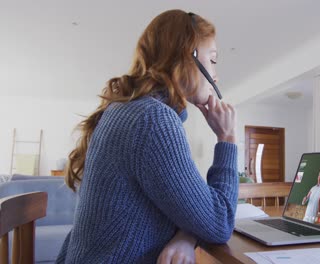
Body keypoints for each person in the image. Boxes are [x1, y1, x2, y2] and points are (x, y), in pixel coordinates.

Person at [56, 9, 238, 264]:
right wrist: (227, 137)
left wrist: (186, 235)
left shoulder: (131, 110)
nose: (216, 75)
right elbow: (220, 222)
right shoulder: (153, 121)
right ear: (189, 56)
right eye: (213, 60)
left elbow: (187, 206)